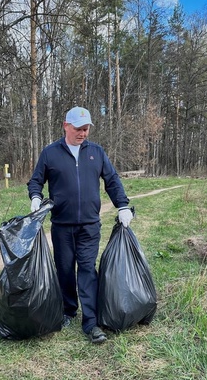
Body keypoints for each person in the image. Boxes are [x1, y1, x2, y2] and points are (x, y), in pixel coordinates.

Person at [27, 106, 134, 344]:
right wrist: (35, 197)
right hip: (62, 226)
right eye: (78, 128)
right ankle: (67, 310)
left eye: (86, 129)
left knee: (87, 270)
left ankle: (91, 322)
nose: (83, 133)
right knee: (64, 270)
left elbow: (112, 180)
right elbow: (35, 181)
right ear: (66, 125)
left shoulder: (96, 152)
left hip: (89, 226)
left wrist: (123, 205)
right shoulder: (50, 153)